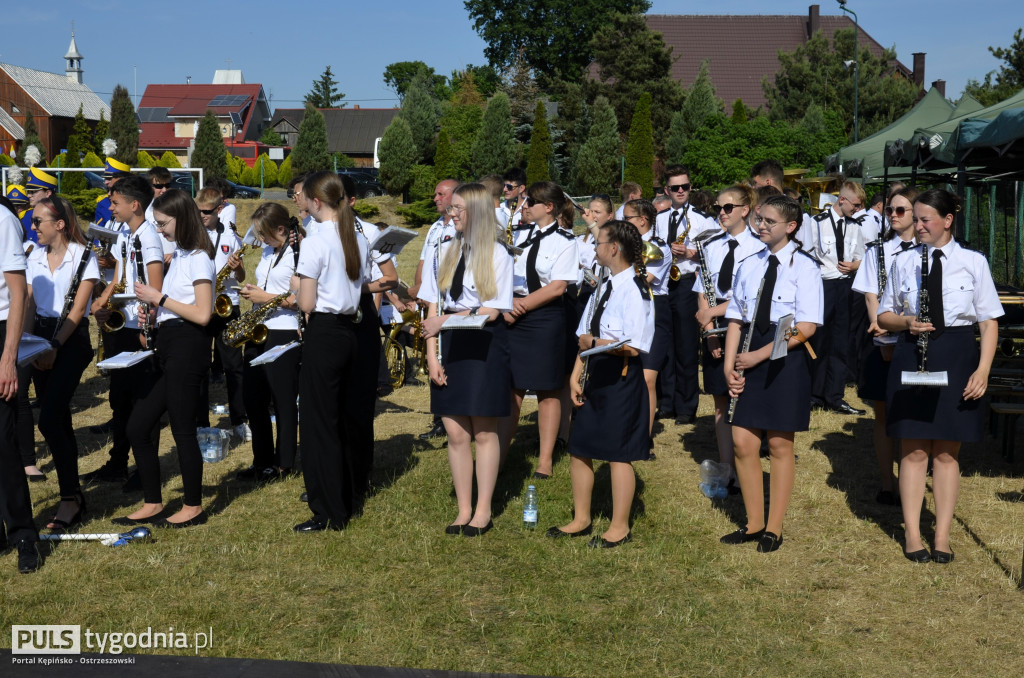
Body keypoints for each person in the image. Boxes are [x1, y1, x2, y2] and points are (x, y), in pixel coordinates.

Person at [878, 189, 1002, 564]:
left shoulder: (973, 262)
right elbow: (884, 316)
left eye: (924, 219)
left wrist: (982, 370)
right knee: (913, 449)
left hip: (958, 353)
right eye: (914, 219)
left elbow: (989, 321)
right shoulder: (902, 262)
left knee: (947, 451)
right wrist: (907, 322)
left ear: (947, 220)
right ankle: (913, 535)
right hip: (911, 351)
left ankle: (943, 536)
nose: (917, 226)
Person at [722, 195, 823, 553]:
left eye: (769, 221)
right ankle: (753, 523)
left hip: (784, 356)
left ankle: (773, 528)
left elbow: (806, 327)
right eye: (759, 219)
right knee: (743, 442)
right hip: (749, 347)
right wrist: (729, 363)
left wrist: (759, 357)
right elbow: (736, 317)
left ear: (791, 227)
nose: (761, 226)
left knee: (779, 444)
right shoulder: (749, 263)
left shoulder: (805, 268)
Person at [549, 220, 654, 548]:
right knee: (580, 449)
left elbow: (634, 345)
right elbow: (583, 337)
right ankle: (581, 519)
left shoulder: (637, 290)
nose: (594, 249)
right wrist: (574, 375)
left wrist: (593, 341)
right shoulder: (603, 287)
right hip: (594, 374)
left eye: (599, 244)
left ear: (614, 249)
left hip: (620, 377)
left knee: (617, 453)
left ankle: (620, 527)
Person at [115, 188, 216, 528]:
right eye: (156, 224)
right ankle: (153, 502)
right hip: (171, 346)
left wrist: (159, 298)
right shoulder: (183, 256)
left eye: (163, 223)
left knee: (183, 430)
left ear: (181, 218)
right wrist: (154, 315)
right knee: (138, 425)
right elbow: (175, 305)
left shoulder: (200, 256)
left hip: (189, 347)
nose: (159, 230)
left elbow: (203, 314)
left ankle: (193, 506)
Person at [420, 183, 513, 536]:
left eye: (458, 209)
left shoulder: (497, 254)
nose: (451, 214)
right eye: (451, 209)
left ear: (475, 212)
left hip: (484, 344)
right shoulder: (447, 249)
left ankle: (483, 511)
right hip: (451, 343)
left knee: (484, 431)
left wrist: (445, 322)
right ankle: (463, 509)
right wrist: (432, 356)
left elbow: (493, 311)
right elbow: (433, 305)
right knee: (456, 432)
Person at [293, 171, 368, 532]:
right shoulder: (356, 235)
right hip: (349, 332)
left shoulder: (315, 240)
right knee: (341, 420)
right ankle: (347, 498)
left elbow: (306, 301)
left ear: (316, 201)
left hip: (324, 332)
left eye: (304, 197)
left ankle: (328, 510)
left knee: (318, 424)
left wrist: (296, 288)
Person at [83, 174, 164, 486]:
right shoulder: (126, 235)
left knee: (141, 400)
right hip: (122, 323)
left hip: (139, 328)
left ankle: (145, 470)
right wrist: (102, 302)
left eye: (115, 203)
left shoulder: (149, 237)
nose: (111, 207)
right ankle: (117, 462)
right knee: (119, 398)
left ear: (135, 204)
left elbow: (154, 288)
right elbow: (120, 272)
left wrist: (147, 325)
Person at [24, 196, 99, 531]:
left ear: (60, 225)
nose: (32, 226)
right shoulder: (32, 256)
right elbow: (27, 305)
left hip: (69, 341)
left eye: (38, 220)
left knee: (51, 417)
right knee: (56, 419)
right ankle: (73, 494)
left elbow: (77, 311)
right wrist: (29, 346)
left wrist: (53, 346)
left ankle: (70, 497)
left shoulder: (84, 258)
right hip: (39, 339)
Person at [500, 181, 578, 479]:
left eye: (531, 201)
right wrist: (509, 306)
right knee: (512, 390)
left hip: (544, 319)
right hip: (513, 315)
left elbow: (558, 287)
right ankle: (501, 454)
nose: (525, 205)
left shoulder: (565, 241)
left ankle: (545, 460)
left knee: (548, 390)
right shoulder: (517, 235)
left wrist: (520, 307)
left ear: (549, 207)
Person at [851, 186, 918, 505]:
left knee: (909, 411)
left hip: (916, 338)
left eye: (900, 210)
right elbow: (869, 294)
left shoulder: (929, 249)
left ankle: (911, 477)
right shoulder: (877, 249)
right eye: (890, 210)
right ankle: (886, 482)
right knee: (882, 412)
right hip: (881, 335)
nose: (892, 215)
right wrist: (879, 329)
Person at [695, 185, 765, 482]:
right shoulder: (712, 246)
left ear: (745, 210)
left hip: (744, 328)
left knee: (744, 397)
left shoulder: (759, 247)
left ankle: (746, 461)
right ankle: (727, 469)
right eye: (718, 208)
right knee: (720, 400)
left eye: (728, 208)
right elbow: (702, 290)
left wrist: (714, 312)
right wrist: (709, 331)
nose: (721, 213)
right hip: (715, 329)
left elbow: (752, 297)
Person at [237, 204, 303, 481]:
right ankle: (261, 460)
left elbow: (300, 300)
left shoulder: (298, 254)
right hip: (259, 328)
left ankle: (283, 462)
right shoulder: (267, 250)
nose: (259, 239)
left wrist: (264, 297)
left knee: (283, 400)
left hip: (284, 331)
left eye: (263, 234)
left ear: (281, 229)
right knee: (253, 398)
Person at [798, 180, 867, 415]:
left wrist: (854, 265)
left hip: (845, 287)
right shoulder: (816, 224)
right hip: (823, 286)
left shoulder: (855, 227)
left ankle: (834, 396)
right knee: (818, 341)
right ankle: (813, 394)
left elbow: (861, 257)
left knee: (841, 343)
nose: (858, 209)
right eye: (855, 205)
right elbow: (807, 254)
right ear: (842, 200)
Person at [655, 165, 717, 424]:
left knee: (686, 347)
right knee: (664, 345)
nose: (681, 191)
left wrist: (691, 253)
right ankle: (666, 402)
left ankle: (686, 407)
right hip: (662, 284)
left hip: (687, 282)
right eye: (676, 187)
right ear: (667, 190)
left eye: (686, 186)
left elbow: (714, 255)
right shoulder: (659, 218)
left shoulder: (703, 219)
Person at [0, 201, 43, 573]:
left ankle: (23, 534)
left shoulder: (3, 221)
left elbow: (18, 294)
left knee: (3, 442)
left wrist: (8, 356)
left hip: (0, 332)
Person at [194, 187, 250, 442]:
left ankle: (239, 420)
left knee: (234, 366)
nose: (202, 216)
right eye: (199, 211)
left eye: (206, 212)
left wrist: (237, 270)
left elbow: (242, 276)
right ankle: (201, 423)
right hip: (202, 305)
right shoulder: (191, 234)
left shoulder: (231, 236)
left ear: (219, 210)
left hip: (228, 304)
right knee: (201, 365)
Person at [410, 179, 458, 441]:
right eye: (435, 192)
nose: (435, 197)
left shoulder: (460, 228)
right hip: (431, 299)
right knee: (433, 354)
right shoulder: (435, 227)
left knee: (446, 355)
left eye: (441, 193)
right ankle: (439, 417)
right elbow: (423, 261)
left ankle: (452, 415)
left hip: (448, 301)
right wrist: (419, 288)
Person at [623, 198, 670, 448]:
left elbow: (643, 280)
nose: (624, 222)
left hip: (654, 310)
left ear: (642, 220)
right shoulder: (625, 245)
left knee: (647, 377)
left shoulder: (659, 246)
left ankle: (644, 436)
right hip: (630, 310)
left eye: (627, 218)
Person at [23, 168, 59, 245]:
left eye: (33, 192)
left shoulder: (60, 215)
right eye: (28, 191)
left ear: (48, 193)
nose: (29, 195)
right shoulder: (26, 215)